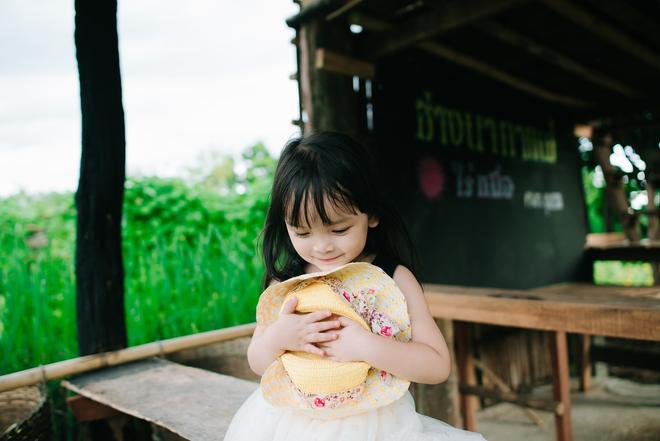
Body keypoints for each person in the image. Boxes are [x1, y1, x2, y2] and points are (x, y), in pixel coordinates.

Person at [223, 132, 486, 440]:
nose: (322, 247)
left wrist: (367, 346)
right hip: (291, 424)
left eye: (339, 229)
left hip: (376, 427)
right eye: (303, 233)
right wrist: (280, 336)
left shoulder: (392, 277)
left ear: (371, 213)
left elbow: (437, 365)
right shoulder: (285, 282)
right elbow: (257, 361)